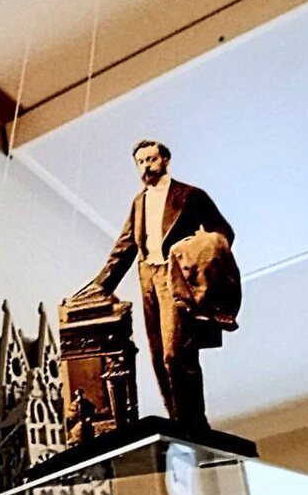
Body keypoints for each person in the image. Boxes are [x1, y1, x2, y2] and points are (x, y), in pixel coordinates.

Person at [77, 139, 235, 432]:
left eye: (151, 159)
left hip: (177, 275)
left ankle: (194, 424)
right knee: (158, 356)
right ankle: (177, 420)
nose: (146, 166)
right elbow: (125, 246)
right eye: (141, 162)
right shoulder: (139, 202)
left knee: (176, 354)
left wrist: (195, 251)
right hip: (148, 277)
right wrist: (100, 286)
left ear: (165, 160)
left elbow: (222, 232)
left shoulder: (190, 195)